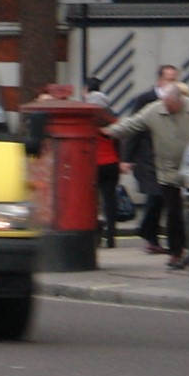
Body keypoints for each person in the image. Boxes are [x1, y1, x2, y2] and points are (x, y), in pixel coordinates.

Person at [105, 80, 189, 266]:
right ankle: (176, 252)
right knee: (174, 213)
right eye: (165, 104)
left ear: (180, 100)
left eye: (170, 105)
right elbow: (132, 124)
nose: (167, 108)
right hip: (167, 170)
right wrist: (108, 132)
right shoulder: (154, 110)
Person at [85, 77, 122, 249]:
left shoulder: (87, 121)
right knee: (110, 200)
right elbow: (118, 142)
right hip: (112, 163)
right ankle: (111, 235)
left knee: (92, 201)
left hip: (92, 165)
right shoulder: (113, 120)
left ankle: (94, 234)